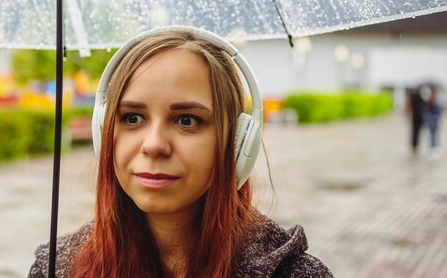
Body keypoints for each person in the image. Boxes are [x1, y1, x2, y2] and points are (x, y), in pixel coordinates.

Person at [29, 26, 332, 277]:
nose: (154, 145)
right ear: (103, 132)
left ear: (238, 143)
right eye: (132, 117)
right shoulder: (57, 267)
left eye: (187, 120)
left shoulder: (294, 274)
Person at [406, 86, 426, 156]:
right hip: (416, 117)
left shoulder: (419, 98)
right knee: (415, 131)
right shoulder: (414, 98)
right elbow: (409, 106)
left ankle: (415, 145)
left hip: (418, 117)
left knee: (416, 131)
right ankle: (414, 145)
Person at [424, 86, 443, 158]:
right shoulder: (432, 101)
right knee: (433, 135)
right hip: (432, 121)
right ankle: (432, 147)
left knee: (433, 135)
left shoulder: (435, 101)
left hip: (433, 120)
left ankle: (433, 147)